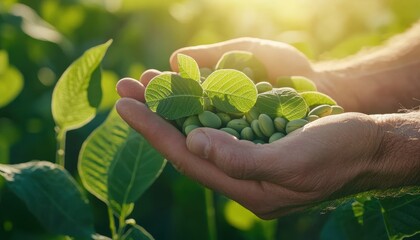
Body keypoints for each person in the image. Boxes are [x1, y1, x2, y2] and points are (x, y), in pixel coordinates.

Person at [115, 21, 420, 219]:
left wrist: (382, 148)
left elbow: (251, 106)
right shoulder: (220, 105)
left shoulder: (247, 112)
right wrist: (336, 86)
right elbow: (250, 105)